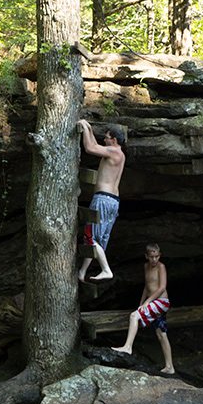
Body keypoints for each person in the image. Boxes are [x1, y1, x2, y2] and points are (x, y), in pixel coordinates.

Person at [111, 243, 175, 374]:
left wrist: (147, 302)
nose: (154, 260)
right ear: (146, 256)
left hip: (161, 302)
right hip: (152, 303)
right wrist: (141, 304)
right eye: (151, 257)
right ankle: (170, 367)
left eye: (157, 256)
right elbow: (147, 286)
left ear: (160, 256)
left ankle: (128, 347)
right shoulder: (146, 267)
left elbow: (162, 287)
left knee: (134, 316)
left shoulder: (161, 267)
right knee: (161, 333)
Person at [77, 119, 126, 282]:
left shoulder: (113, 152)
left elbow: (90, 148)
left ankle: (106, 270)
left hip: (103, 200)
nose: (104, 140)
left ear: (114, 140)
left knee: (90, 236)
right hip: (113, 201)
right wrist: (89, 129)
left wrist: (84, 128)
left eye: (107, 137)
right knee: (97, 240)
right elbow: (96, 145)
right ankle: (82, 272)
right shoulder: (121, 154)